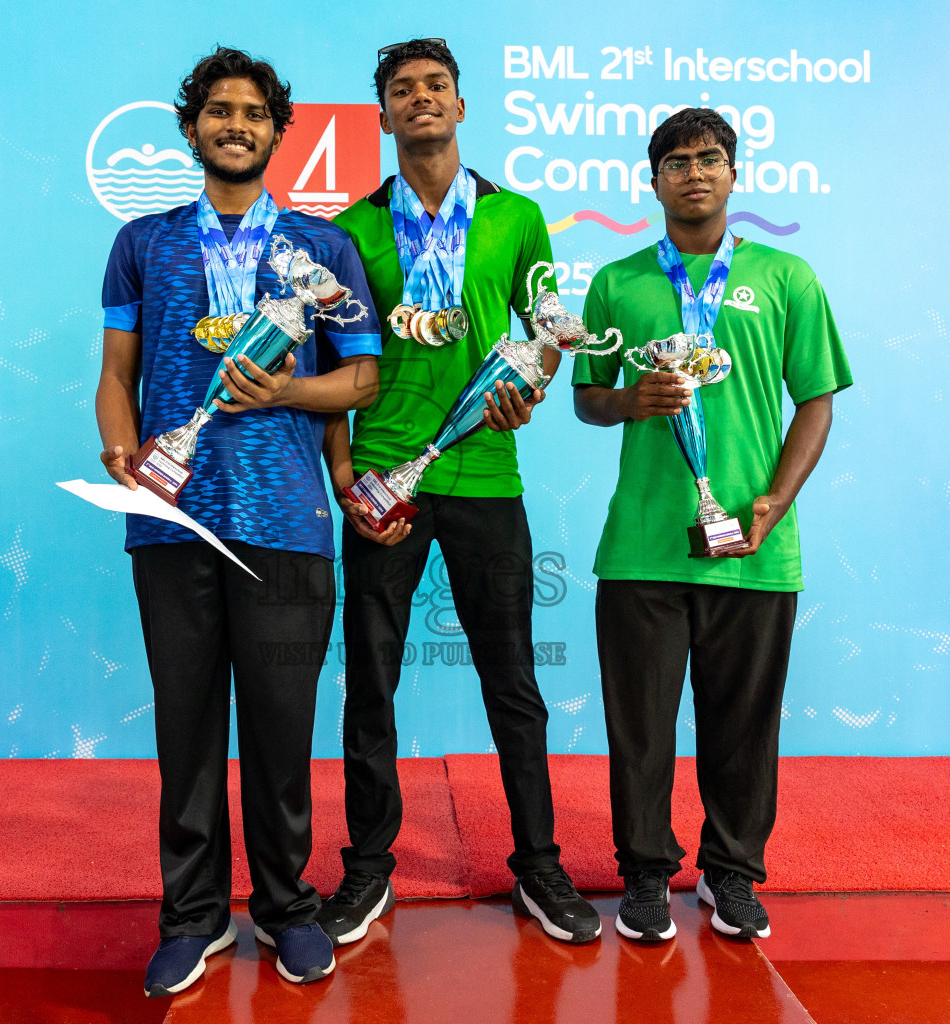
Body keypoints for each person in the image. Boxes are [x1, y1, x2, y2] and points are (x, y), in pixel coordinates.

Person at [95, 46, 381, 993]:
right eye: (219, 110)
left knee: (279, 730)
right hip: (171, 518)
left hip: (287, 520)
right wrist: (119, 448)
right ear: (191, 128)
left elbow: (362, 379)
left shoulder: (322, 248)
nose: (236, 125)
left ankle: (287, 908)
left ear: (276, 133)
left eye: (255, 113)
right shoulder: (143, 241)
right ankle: (194, 916)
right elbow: (116, 374)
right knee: (186, 731)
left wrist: (287, 390)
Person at [318, 37, 601, 947]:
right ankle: (369, 871)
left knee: (513, 680)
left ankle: (539, 866)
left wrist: (534, 386)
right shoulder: (352, 230)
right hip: (384, 478)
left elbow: (546, 333)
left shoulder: (517, 216)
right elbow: (331, 361)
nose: (421, 99)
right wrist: (343, 476)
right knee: (371, 682)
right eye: (403, 89)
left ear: (461, 105)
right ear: (384, 114)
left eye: (436, 85)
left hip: (484, 473)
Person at [572, 107, 851, 942]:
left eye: (709, 158)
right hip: (643, 547)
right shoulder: (617, 281)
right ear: (652, 180)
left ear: (733, 173)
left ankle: (731, 872)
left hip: (752, 546)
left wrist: (778, 499)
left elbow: (817, 401)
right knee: (641, 731)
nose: (693, 172)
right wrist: (632, 399)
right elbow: (588, 400)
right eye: (676, 161)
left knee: (743, 728)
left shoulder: (787, 276)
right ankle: (645, 876)